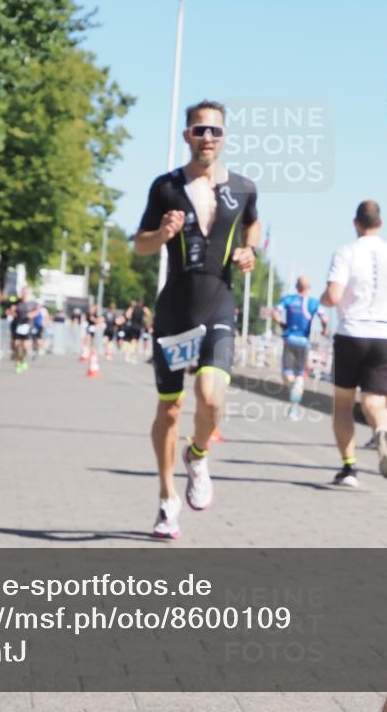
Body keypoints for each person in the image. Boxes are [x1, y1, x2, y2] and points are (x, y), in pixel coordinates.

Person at [134, 99, 260, 539]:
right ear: (187, 134)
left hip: (219, 304)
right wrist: (162, 234)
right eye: (199, 130)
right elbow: (141, 245)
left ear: (224, 137)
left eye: (215, 131)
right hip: (175, 310)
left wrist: (249, 250)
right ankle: (167, 498)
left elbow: (253, 225)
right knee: (170, 409)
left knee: (210, 398)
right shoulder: (165, 187)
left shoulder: (243, 187)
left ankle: (198, 454)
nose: (207, 137)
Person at [322, 200, 387, 487]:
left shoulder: (346, 252)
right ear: (380, 224)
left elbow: (333, 296)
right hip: (384, 335)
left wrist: (324, 300)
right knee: (374, 401)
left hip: (352, 332)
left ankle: (349, 468)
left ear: (356, 223)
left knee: (343, 404)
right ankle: (381, 429)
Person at [274, 276, 329, 419]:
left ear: (296, 286)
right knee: (299, 376)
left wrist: (282, 323)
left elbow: (276, 313)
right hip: (304, 342)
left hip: (290, 340)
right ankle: (294, 405)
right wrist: (324, 330)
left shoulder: (288, 299)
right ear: (308, 288)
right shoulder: (313, 302)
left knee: (287, 375)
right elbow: (324, 319)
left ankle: (293, 387)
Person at [8, 287, 39, 373]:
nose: (24, 294)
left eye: (26, 292)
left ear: (28, 293)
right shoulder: (17, 302)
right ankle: (17, 364)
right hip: (17, 325)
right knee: (16, 345)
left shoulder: (32, 303)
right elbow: (10, 311)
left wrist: (32, 314)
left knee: (26, 348)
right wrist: (12, 311)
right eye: (23, 292)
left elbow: (37, 311)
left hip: (27, 326)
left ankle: (22, 360)